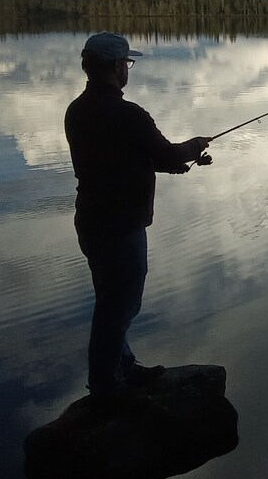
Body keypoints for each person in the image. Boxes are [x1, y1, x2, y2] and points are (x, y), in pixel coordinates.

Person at [64, 32, 212, 405]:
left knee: (110, 299)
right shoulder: (129, 114)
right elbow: (162, 152)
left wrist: (173, 165)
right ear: (116, 67)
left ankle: (122, 367)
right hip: (120, 225)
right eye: (127, 64)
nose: (128, 70)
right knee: (120, 305)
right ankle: (106, 385)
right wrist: (193, 147)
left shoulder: (77, 110)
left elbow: (126, 158)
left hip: (92, 220)